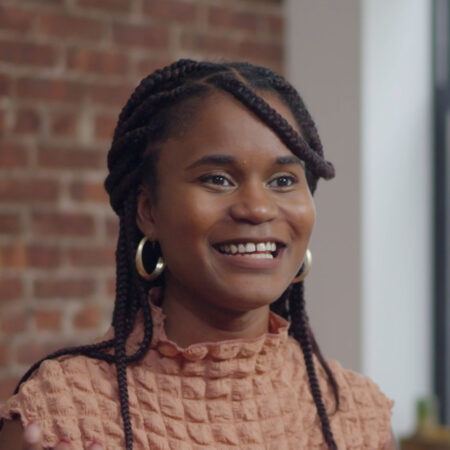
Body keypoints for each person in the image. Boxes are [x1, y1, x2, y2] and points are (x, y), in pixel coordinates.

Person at [0, 59, 396, 449]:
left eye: (282, 180)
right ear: (148, 211)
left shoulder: (356, 418)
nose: (258, 208)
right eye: (217, 179)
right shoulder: (60, 416)